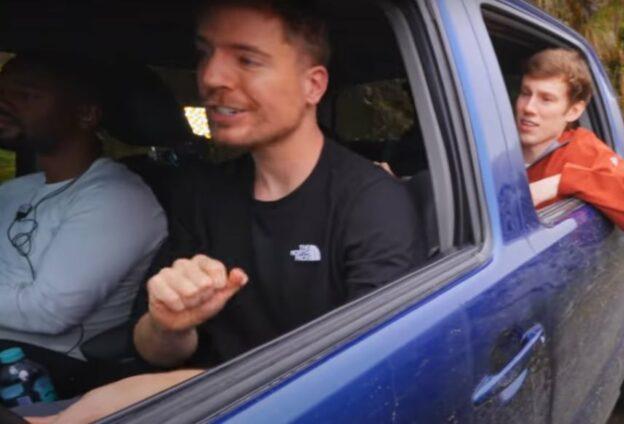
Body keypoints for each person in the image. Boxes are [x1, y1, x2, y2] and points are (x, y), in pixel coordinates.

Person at [23, 0, 424, 421]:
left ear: (313, 86)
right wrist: (170, 325)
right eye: (204, 54)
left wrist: (182, 390)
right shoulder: (204, 194)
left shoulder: (372, 203)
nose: (211, 77)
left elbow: (375, 377)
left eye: (247, 59)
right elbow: (151, 348)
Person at [0, 52, 167, 396]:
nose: (5, 104)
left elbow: (48, 312)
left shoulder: (118, 199)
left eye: (26, 95)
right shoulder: (16, 190)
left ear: (86, 115)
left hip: (48, 369)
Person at [518, 48, 624, 236]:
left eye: (546, 99)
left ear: (573, 111)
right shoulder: (493, 144)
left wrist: (563, 182)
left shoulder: (586, 152)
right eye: (525, 93)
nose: (529, 107)